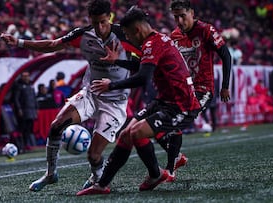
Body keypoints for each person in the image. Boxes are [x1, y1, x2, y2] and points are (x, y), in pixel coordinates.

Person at [0, 0, 141, 192]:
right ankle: (51, 174)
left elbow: (144, 66)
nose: (99, 28)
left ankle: (97, 178)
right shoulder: (83, 35)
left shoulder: (126, 36)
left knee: (93, 156)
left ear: (109, 17)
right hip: (91, 93)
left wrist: (119, 62)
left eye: (103, 22)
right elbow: (52, 44)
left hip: (115, 101)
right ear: (89, 20)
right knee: (56, 126)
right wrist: (19, 42)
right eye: (95, 22)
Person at [77, 6, 201, 196]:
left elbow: (143, 77)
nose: (128, 39)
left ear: (136, 30)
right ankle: (101, 185)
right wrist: (116, 61)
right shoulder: (156, 40)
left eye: (127, 34)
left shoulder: (152, 44)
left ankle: (156, 174)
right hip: (165, 101)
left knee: (135, 132)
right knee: (126, 134)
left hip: (181, 106)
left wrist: (111, 85)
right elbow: (141, 66)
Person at [156, 0, 231, 180]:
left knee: (173, 122)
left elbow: (226, 55)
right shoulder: (174, 36)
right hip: (181, 90)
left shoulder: (206, 30)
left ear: (192, 13)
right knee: (155, 125)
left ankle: (170, 170)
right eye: (176, 17)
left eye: (183, 16)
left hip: (202, 90)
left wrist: (225, 86)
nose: (180, 20)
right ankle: (177, 158)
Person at [13, 71, 38, 152]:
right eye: (24, 76)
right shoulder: (19, 86)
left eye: (27, 76)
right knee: (22, 128)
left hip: (31, 110)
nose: (26, 77)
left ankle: (26, 144)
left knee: (29, 128)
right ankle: (21, 145)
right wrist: (19, 109)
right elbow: (16, 98)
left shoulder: (31, 85)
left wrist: (36, 108)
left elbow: (34, 98)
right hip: (24, 110)